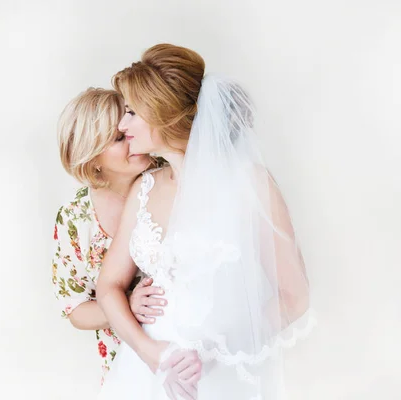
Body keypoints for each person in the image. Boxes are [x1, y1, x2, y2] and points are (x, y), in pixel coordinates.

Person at [96, 44, 315, 399]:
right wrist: (151, 354)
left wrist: (216, 352)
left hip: (221, 375)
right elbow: (107, 287)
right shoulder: (144, 189)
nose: (123, 125)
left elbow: (294, 296)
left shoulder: (250, 185)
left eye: (133, 112)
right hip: (145, 371)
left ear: (162, 113)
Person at [52, 87, 167, 385]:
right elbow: (74, 308)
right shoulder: (76, 220)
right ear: (93, 160)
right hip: (126, 366)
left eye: (131, 121)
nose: (132, 135)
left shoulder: (170, 178)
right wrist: (124, 305)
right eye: (118, 138)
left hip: (185, 349)